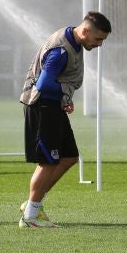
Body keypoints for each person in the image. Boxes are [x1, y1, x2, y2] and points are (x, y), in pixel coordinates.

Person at [18, 11, 111, 228]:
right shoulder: (61, 50)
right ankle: (30, 216)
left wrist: (64, 97)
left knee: (69, 157)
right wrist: (64, 93)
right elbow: (42, 84)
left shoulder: (75, 39)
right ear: (86, 31)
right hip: (42, 107)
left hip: (54, 105)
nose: (99, 44)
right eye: (98, 39)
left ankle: (34, 203)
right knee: (48, 162)